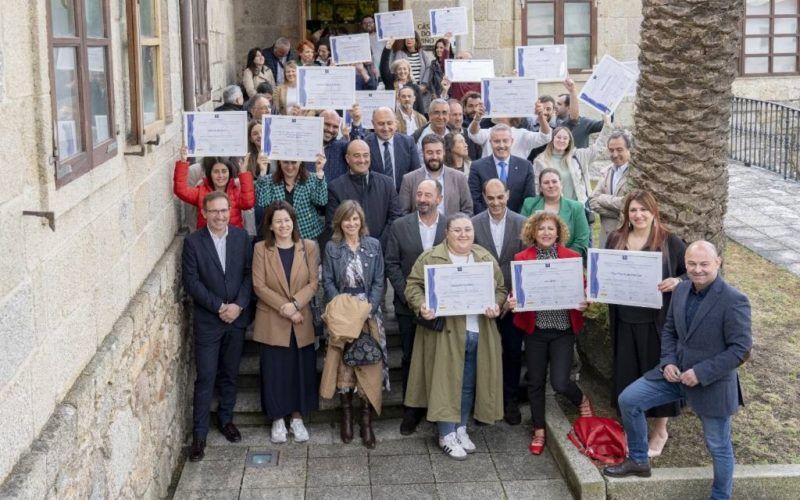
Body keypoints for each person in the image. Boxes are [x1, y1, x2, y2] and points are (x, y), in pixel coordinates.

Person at [604, 241, 752, 500]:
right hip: (674, 373)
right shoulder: (681, 290)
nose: (697, 270)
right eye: (692, 264)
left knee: (718, 445)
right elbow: (670, 330)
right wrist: (669, 361)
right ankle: (639, 461)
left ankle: (720, 496)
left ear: (718, 262)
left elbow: (740, 349)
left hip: (712, 382)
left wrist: (701, 372)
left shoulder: (734, 300)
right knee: (629, 399)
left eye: (704, 264)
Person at [404, 213, 506, 460]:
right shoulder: (432, 256)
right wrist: (422, 306)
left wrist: (496, 305)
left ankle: (460, 427)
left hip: (477, 331)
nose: (463, 235)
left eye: (467, 230)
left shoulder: (483, 257)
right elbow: (412, 286)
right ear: (446, 233)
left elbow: (500, 289)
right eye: (457, 230)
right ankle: (445, 434)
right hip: (445, 334)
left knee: (468, 383)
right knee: (445, 382)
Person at [604, 190, 687, 456]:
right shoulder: (616, 239)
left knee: (659, 374)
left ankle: (660, 430)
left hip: (657, 322)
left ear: (654, 212)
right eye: (633, 210)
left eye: (643, 210)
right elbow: (604, 272)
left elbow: (691, 271)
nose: (638, 215)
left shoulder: (669, 241)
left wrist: (678, 282)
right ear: (626, 213)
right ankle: (632, 428)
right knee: (628, 375)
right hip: (624, 319)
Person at [508, 211, 595, 455]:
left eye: (550, 228)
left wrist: (585, 300)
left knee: (559, 382)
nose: (546, 233)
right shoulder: (522, 258)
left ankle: (581, 400)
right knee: (535, 382)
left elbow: (584, 289)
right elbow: (515, 292)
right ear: (533, 232)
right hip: (535, 331)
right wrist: (512, 301)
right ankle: (538, 430)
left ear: (558, 232)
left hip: (562, 331)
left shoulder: (571, 257)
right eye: (541, 228)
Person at [182, 192, 253, 461]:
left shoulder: (241, 238)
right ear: (204, 213)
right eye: (214, 211)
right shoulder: (193, 242)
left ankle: (226, 420)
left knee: (230, 374)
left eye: (224, 211)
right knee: (206, 376)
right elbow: (192, 282)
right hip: (209, 321)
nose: (220, 216)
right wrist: (219, 307)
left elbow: (248, 275)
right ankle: (199, 435)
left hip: (236, 319)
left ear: (229, 210)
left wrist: (238, 305)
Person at [321, 201, 389, 448]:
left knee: (368, 364)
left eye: (356, 219)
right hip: (342, 312)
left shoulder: (373, 245)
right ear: (340, 221)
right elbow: (327, 280)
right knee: (345, 366)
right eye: (347, 219)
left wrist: (368, 307)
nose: (351, 224)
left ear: (361, 221)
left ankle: (366, 420)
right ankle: (347, 417)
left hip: (368, 311)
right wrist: (341, 309)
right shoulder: (331, 247)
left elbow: (380, 281)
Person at [252, 201, 319, 443]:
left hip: (301, 319)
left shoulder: (308, 247)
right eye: (278, 221)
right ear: (270, 225)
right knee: (275, 371)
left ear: (294, 222)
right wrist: (287, 309)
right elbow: (259, 285)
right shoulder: (261, 249)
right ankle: (278, 419)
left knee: (301, 370)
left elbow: (313, 283)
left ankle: (298, 418)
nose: (283, 225)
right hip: (272, 319)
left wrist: (296, 304)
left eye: (287, 220)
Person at [385, 179, 446, 435]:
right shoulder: (399, 226)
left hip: (444, 307)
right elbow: (392, 264)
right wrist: (412, 298)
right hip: (408, 306)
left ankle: (438, 406)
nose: (422, 199)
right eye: (419, 194)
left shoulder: (451, 226)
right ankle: (411, 408)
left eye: (428, 195)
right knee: (411, 357)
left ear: (439, 199)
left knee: (440, 357)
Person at [471, 179, 527, 424]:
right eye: (490, 198)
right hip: (484, 303)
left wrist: (511, 296)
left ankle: (510, 400)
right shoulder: (473, 224)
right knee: (483, 353)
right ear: (484, 197)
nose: (495, 202)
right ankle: (484, 402)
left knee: (513, 353)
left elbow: (525, 263)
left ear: (508, 195)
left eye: (500, 197)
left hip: (513, 303)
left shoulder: (522, 223)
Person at [327, 140, 402, 250]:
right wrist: (355, 247)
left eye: (365, 155)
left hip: (383, 251)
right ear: (347, 159)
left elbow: (395, 218)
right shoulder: (335, 187)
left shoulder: (387, 183)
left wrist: (377, 245)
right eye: (356, 156)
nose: (362, 160)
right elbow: (333, 223)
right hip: (349, 252)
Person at [533, 114, 612, 207]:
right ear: (552, 139)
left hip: (577, 208)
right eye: (558, 137)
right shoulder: (541, 161)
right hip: (554, 208)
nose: (561, 140)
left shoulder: (578, 156)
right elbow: (537, 188)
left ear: (569, 141)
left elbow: (598, 148)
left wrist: (607, 125)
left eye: (565, 138)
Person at [173, 147, 255, 230]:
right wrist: (183, 162)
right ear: (210, 174)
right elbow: (181, 190)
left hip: (232, 239)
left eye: (224, 171)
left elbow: (248, 204)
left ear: (229, 173)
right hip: (206, 240)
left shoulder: (235, 190)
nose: (220, 176)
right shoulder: (201, 191)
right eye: (216, 172)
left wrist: (244, 173)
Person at [520, 168, 590, 258]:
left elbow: (582, 240)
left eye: (554, 181)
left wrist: (561, 259)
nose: (551, 185)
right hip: (535, 262)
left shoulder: (576, 207)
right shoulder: (529, 204)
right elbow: (523, 236)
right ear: (540, 187)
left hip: (567, 262)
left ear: (561, 184)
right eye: (546, 183)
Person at [255, 155, 327, 240]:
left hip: (308, 236)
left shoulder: (312, 178)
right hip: (279, 236)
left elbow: (321, 201)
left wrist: (319, 171)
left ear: (300, 162)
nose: (290, 167)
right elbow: (262, 202)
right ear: (279, 162)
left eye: (294, 162)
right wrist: (263, 171)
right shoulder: (268, 180)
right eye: (285, 162)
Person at [468, 124, 536, 214]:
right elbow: (475, 199)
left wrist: (516, 219)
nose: (501, 145)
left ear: (511, 141)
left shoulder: (525, 166)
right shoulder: (477, 167)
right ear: (490, 142)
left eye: (505, 141)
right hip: (486, 221)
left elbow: (529, 200)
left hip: (517, 222)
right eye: (496, 141)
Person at [398, 135, 472, 216]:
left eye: (438, 152)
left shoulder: (459, 178)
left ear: (444, 152)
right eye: (430, 152)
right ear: (423, 153)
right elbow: (403, 213)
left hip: (450, 228)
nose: (434, 157)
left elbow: (467, 210)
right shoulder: (409, 179)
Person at [589, 129, 633, 247]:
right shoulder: (606, 172)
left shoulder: (637, 174)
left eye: (619, 150)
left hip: (630, 235)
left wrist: (603, 198)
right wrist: (619, 214)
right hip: (607, 235)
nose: (614, 154)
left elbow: (629, 202)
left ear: (629, 149)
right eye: (611, 150)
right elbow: (592, 201)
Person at [468, 102, 552, 159]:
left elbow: (545, 136)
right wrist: (477, 119)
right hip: (491, 182)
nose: (494, 111)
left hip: (516, 182)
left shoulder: (522, 134)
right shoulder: (489, 132)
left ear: (510, 114)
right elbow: (473, 134)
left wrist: (541, 117)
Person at [366, 107, 421, 192]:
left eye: (389, 123)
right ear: (373, 124)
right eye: (381, 124)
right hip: (375, 198)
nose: (386, 128)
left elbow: (416, 173)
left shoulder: (408, 143)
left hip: (402, 198)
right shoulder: (365, 145)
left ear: (396, 123)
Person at [555, 78, 605, 148]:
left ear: (569, 107)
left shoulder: (584, 122)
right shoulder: (553, 123)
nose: (555, 106)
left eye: (559, 104)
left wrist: (607, 104)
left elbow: (604, 125)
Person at [306, 109, 349, 182]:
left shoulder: (342, 146)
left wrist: (356, 122)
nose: (330, 130)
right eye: (327, 124)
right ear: (317, 123)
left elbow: (358, 149)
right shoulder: (304, 146)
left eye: (335, 127)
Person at [379, 50, 425, 115]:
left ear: (409, 71)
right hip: (393, 119)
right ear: (395, 71)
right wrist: (387, 49)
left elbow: (420, 109)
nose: (402, 71)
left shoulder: (415, 87)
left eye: (405, 69)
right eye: (399, 69)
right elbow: (383, 68)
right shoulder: (390, 83)